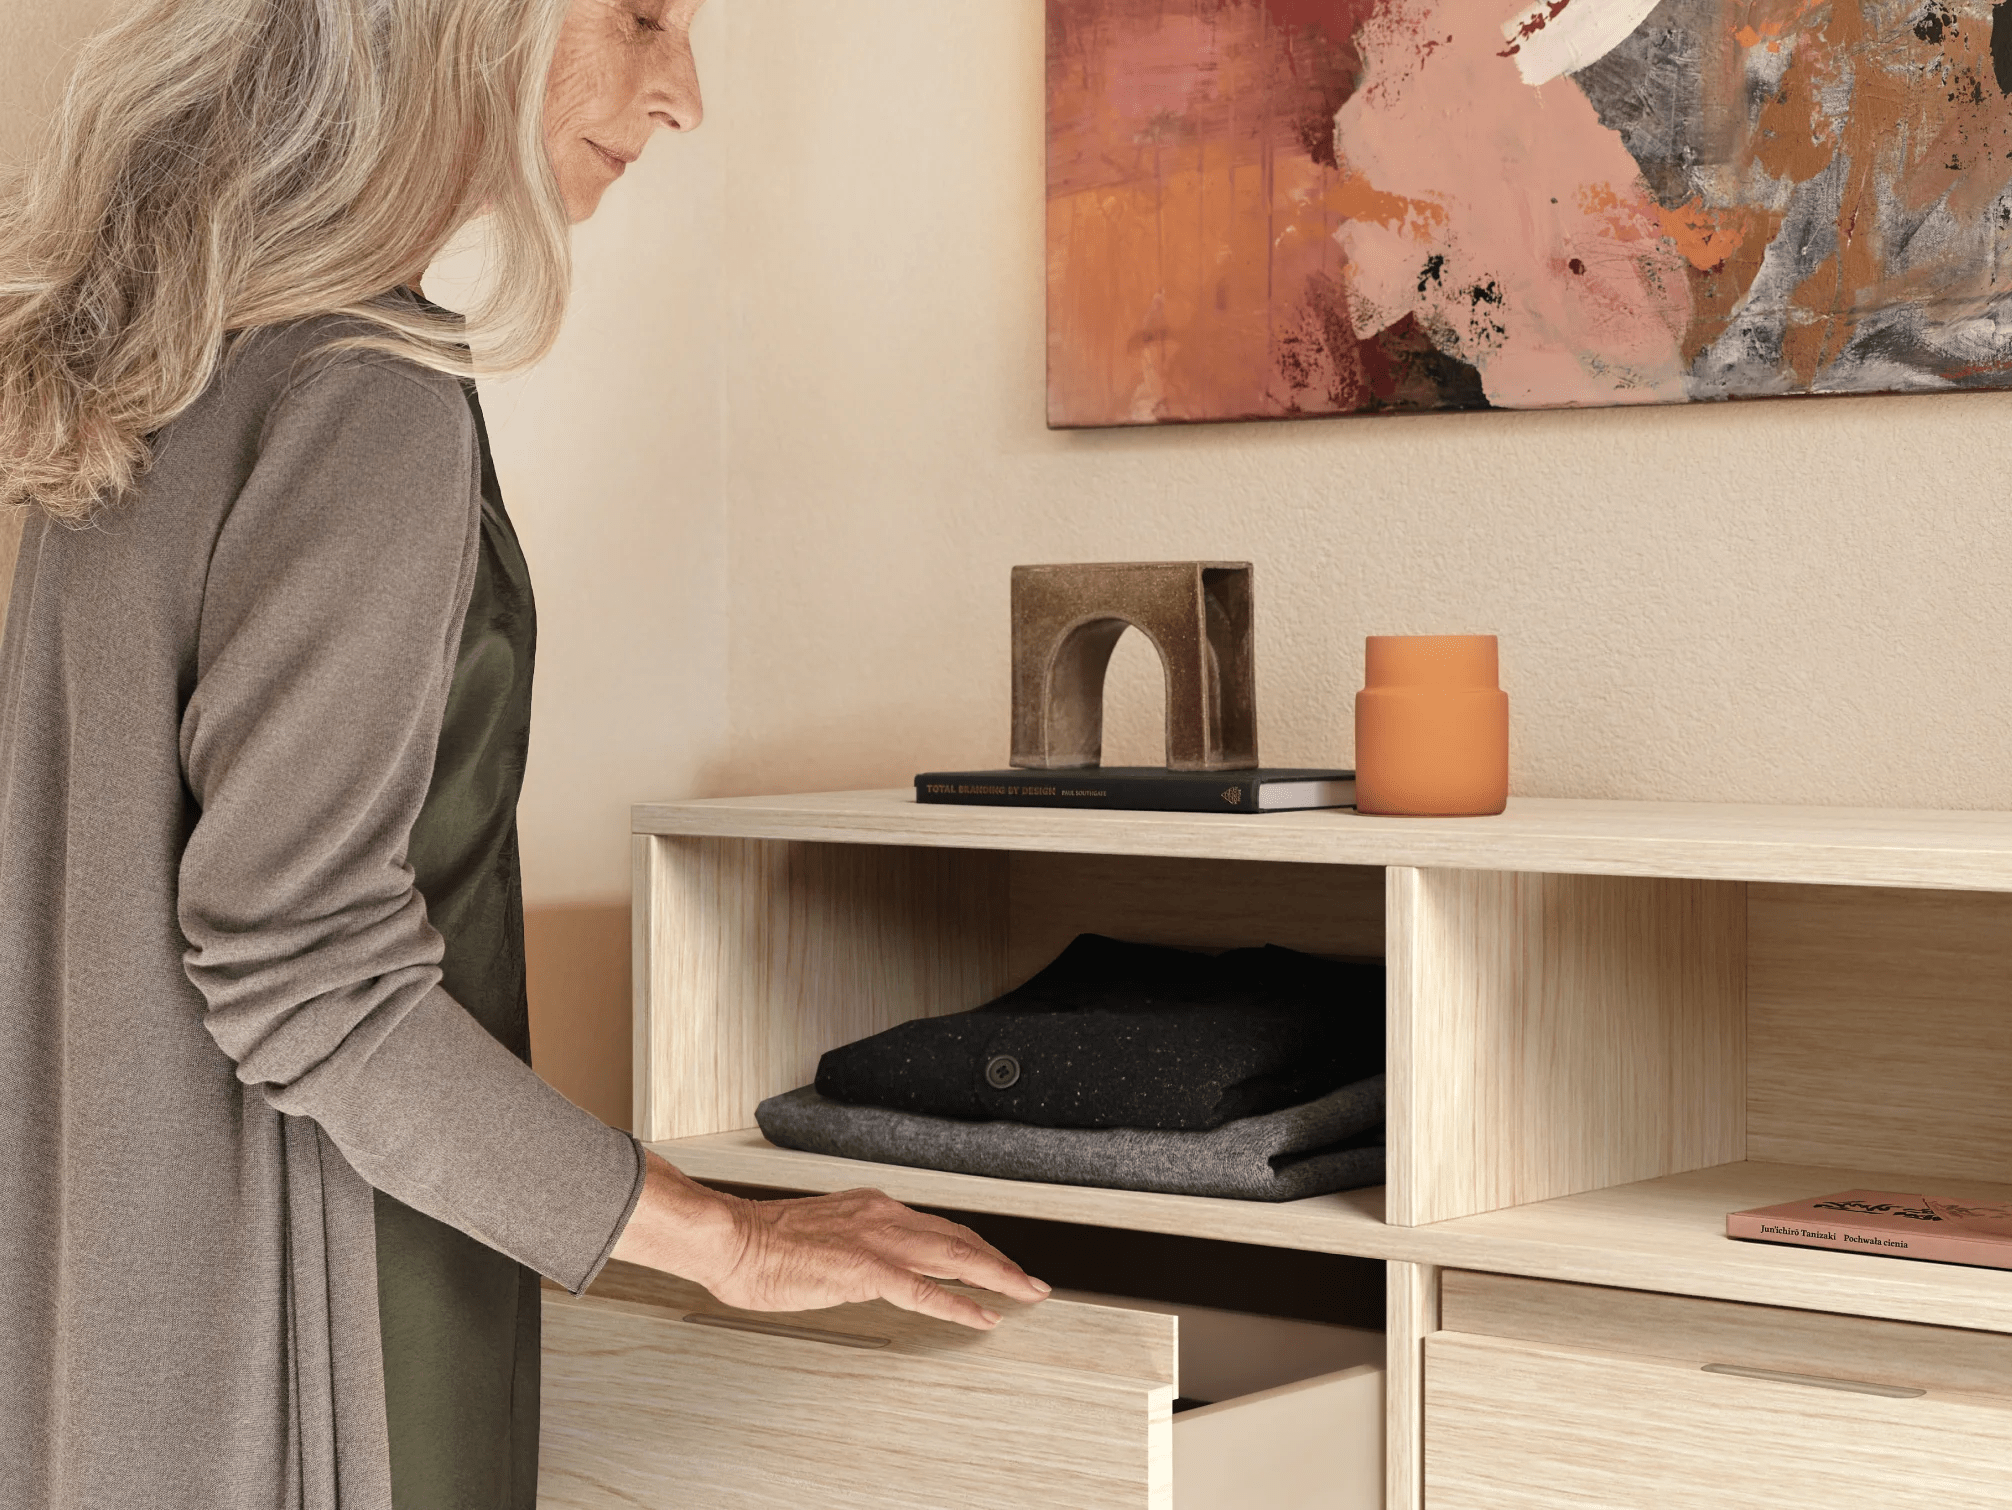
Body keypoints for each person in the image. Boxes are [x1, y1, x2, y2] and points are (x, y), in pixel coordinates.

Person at [0, 4, 1047, 1508]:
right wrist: (727, 1237)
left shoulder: (161, 355)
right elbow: (300, 966)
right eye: (640, 17)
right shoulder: (365, 391)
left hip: (106, 1360)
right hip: (321, 1346)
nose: (680, 91)